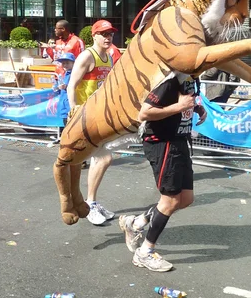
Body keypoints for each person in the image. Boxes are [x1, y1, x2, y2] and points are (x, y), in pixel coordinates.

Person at [118, 75, 207, 272]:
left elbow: (183, 103)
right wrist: (179, 107)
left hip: (180, 141)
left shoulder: (192, 78)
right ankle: (144, 253)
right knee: (171, 201)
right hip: (162, 143)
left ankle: (135, 222)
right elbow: (145, 113)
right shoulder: (170, 80)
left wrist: (195, 108)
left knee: (185, 199)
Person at [66, 19, 120, 225]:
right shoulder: (87, 56)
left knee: (89, 161)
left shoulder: (109, 57)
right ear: (94, 36)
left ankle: (89, 203)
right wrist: (73, 110)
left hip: (99, 116)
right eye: (104, 34)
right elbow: (72, 85)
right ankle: (89, 205)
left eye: (111, 34)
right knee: (102, 159)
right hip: (84, 118)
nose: (108, 37)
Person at [52, 52, 76, 136]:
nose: (65, 65)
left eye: (67, 63)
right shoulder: (63, 74)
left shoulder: (75, 74)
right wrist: (56, 87)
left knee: (70, 130)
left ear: (73, 63)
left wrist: (66, 86)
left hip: (70, 106)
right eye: (63, 63)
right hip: (64, 106)